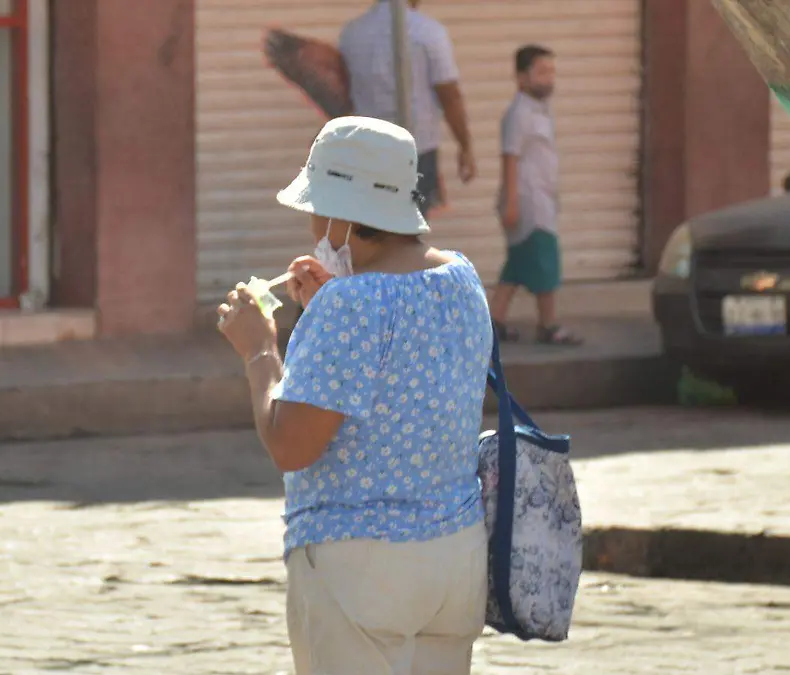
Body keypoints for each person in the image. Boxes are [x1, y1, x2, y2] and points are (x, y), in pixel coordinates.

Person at [216, 116, 493, 674]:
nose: (315, 227)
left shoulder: (351, 307)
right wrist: (327, 308)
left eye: (318, 211)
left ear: (344, 215)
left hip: (360, 567)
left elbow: (291, 445)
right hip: (455, 557)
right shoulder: (462, 279)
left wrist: (259, 351)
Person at [338, 0, 476, 218]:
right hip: (417, 150)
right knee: (410, 229)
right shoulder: (428, 32)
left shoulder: (352, 33)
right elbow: (449, 94)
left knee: (373, 227)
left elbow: (343, 94)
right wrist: (465, 145)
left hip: (368, 149)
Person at [489, 45, 582, 346]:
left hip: (542, 200)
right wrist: (512, 201)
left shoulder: (541, 111)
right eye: (541, 72)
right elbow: (510, 158)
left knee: (516, 266)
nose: (548, 78)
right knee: (544, 263)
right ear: (521, 77)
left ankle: (494, 322)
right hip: (530, 204)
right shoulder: (518, 114)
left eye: (551, 72)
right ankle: (548, 324)